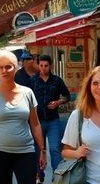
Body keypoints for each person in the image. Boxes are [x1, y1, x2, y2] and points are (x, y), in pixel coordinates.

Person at [0, 49, 45, 184]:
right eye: (0, 68)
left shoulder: (27, 93)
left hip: (26, 151)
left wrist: (42, 150)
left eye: (8, 67)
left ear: (16, 68)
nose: (4, 71)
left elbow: (35, 124)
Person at [31, 54, 71, 182]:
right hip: (37, 121)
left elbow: (66, 96)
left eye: (46, 66)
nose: (43, 68)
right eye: (41, 65)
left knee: (55, 149)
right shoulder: (33, 81)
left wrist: (58, 102)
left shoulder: (57, 80)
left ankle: (57, 176)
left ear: (51, 66)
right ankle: (39, 175)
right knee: (38, 149)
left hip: (53, 120)